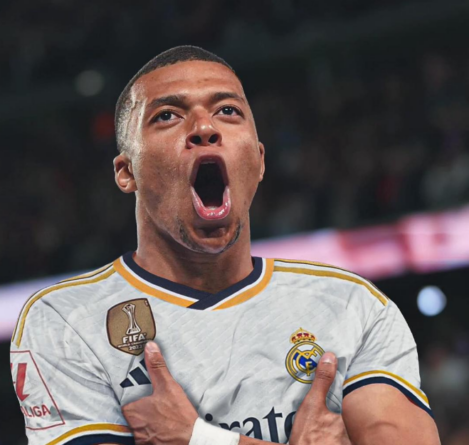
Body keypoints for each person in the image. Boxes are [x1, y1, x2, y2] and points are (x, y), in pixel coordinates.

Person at [10, 46, 440, 445]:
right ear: (127, 172)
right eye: (167, 116)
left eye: (227, 111)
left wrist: (196, 438)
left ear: (259, 160)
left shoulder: (353, 306)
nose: (204, 128)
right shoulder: (66, 320)